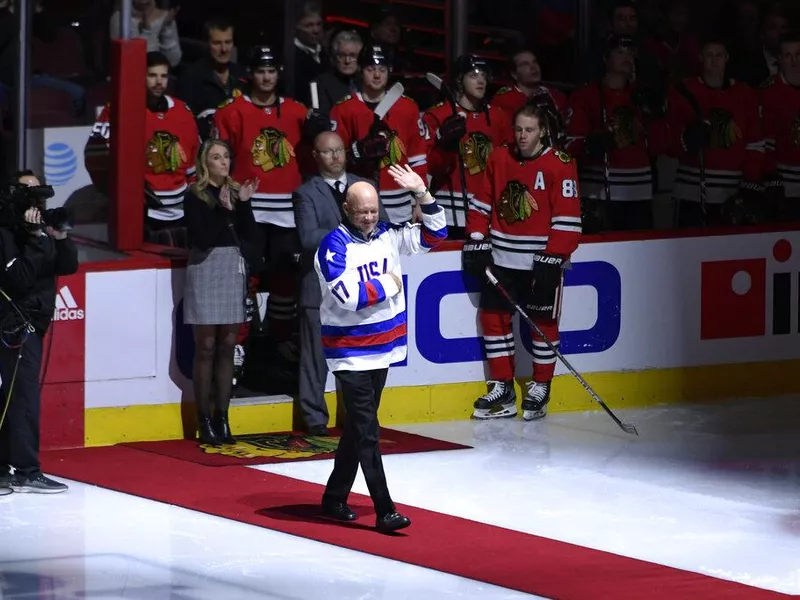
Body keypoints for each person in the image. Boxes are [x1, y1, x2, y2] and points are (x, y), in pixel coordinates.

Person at [315, 165, 446, 532]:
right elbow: (350, 297)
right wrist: (389, 283)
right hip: (350, 354)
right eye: (362, 212)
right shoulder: (332, 247)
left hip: (384, 348)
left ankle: (334, 496)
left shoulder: (388, 235)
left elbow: (437, 235)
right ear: (346, 209)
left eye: (374, 211)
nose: (370, 218)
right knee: (369, 430)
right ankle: (385, 510)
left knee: (359, 429)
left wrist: (423, 192)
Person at [463, 105, 582, 421]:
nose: (522, 136)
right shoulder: (499, 158)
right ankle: (502, 389)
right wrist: (477, 237)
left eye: (529, 130)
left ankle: (541, 386)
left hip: (541, 262)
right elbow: (480, 203)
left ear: (542, 131)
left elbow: (569, 220)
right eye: (518, 129)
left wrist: (553, 256)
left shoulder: (560, 165)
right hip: (502, 259)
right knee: (493, 321)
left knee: (543, 325)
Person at [294, 131, 389, 435]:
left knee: (356, 359)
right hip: (320, 289)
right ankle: (314, 419)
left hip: (360, 288)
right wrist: (348, 232)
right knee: (315, 357)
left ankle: (356, 418)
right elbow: (308, 238)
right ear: (316, 156)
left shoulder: (366, 186)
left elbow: (382, 227)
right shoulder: (306, 193)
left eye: (339, 151)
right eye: (327, 152)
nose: (334, 157)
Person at [0, 171, 79, 493]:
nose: (37, 201)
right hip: (15, 324)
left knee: (18, 397)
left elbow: (67, 266)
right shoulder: (7, 232)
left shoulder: (41, 229)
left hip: (35, 321)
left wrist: (59, 237)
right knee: (22, 399)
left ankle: (11, 469)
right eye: (28, 192)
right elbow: (16, 279)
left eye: (40, 193)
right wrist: (33, 240)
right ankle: (26, 470)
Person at [183, 140, 261, 446]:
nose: (223, 162)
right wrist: (225, 208)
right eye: (216, 157)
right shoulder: (195, 195)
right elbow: (202, 238)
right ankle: (203, 419)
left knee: (228, 345)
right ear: (205, 163)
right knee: (206, 347)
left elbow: (251, 235)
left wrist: (242, 205)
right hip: (205, 267)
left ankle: (223, 418)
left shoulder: (237, 192)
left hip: (232, 266)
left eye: (226, 156)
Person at [85, 51, 200, 247]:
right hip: (141, 215)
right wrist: (124, 191)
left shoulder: (183, 111)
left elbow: (193, 163)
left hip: (181, 213)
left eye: (163, 76)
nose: (158, 82)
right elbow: (95, 154)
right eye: (152, 75)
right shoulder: (120, 109)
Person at [329, 44, 429, 225]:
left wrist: (420, 200)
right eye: (370, 69)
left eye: (382, 69)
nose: (376, 75)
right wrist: (356, 152)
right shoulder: (344, 108)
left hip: (401, 203)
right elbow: (333, 158)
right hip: (359, 201)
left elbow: (418, 158)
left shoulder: (407, 107)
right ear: (360, 70)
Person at [423, 55, 512, 238]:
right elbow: (429, 167)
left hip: (486, 210)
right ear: (459, 80)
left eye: (484, 75)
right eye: (473, 75)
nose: (480, 80)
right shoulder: (438, 114)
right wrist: (443, 141)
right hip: (448, 212)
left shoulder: (498, 117)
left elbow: (506, 167)